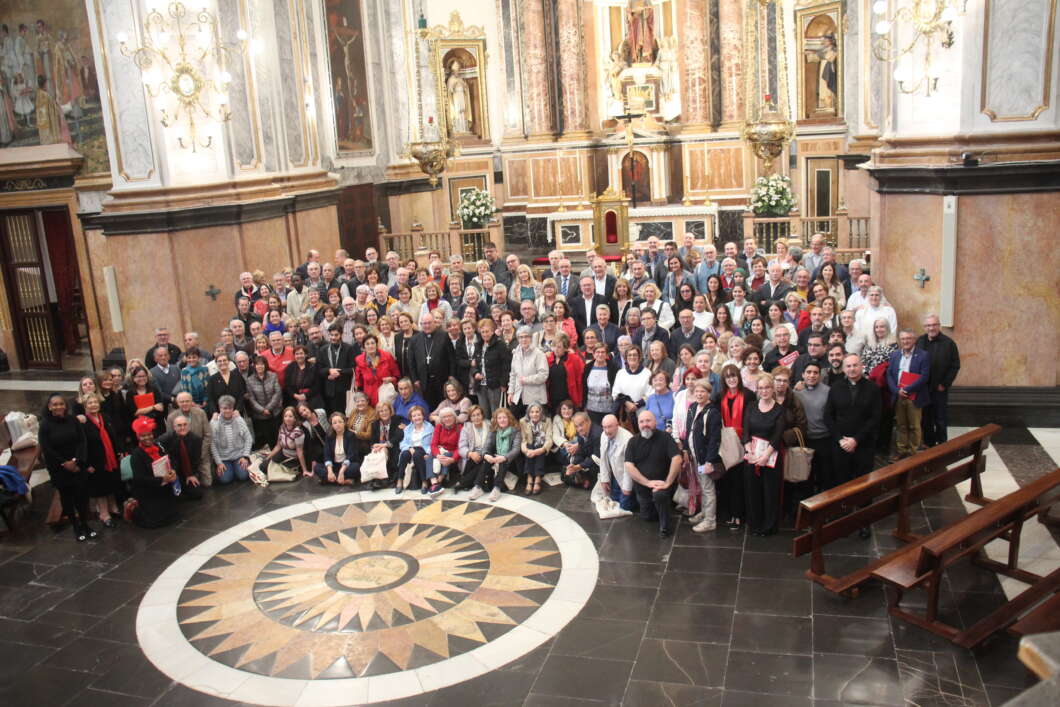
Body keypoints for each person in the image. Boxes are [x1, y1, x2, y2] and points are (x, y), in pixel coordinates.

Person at [825, 355, 882, 536]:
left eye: (855, 365)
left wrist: (856, 440)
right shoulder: (836, 387)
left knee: (863, 483)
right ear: (844, 369)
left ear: (862, 366)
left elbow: (875, 418)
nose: (852, 369)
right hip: (840, 444)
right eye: (848, 366)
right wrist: (840, 439)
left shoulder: (873, 388)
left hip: (863, 444)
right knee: (841, 480)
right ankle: (843, 518)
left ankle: (863, 521)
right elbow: (828, 416)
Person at [40, 394, 95, 540]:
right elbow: (47, 449)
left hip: (77, 465)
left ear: (65, 405)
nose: (58, 407)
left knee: (82, 497)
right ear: (49, 407)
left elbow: (82, 441)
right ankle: (76, 526)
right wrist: (65, 463)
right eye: (55, 404)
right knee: (67, 498)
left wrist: (76, 460)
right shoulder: (45, 425)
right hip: (59, 469)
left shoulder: (72, 420)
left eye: (61, 404)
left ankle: (85, 524)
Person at [624, 409, 683, 536]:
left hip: (662, 486)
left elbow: (677, 459)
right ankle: (661, 508)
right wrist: (647, 482)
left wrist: (667, 482)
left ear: (655, 422)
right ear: (638, 424)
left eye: (648, 421)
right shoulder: (633, 441)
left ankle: (665, 526)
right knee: (648, 517)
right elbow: (629, 466)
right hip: (643, 487)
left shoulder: (665, 438)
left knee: (659, 496)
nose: (645, 424)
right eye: (641, 422)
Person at [740, 372, 786, 536]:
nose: (764, 391)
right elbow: (746, 431)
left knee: (770, 492)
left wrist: (765, 456)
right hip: (752, 455)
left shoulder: (779, 410)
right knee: (752, 491)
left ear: (772, 389)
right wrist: (749, 451)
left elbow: (777, 436)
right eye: (760, 388)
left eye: (767, 387)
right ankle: (755, 525)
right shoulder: (751, 406)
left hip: (770, 456)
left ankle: (768, 526)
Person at [125, 416, 180, 529]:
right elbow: (139, 479)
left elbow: (172, 460)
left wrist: (173, 470)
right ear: (138, 437)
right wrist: (162, 479)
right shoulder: (136, 455)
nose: (147, 438)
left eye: (149, 434)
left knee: (173, 516)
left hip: (163, 486)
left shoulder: (159, 446)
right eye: (143, 436)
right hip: (148, 490)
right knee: (153, 523)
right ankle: (132, 508)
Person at [917, 313, 960, 447]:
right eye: (928, 325)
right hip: (923, 388)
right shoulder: (919, 341)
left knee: (940, 419)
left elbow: (955, 365)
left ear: (939, 326)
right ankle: (929, 444)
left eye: (934, 325)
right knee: (926, 418)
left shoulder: (949, 343)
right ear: (924, 327)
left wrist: (945, 384)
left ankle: (942, 445)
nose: (931, 328)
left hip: (939, 388)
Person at [887, 329, 931, 459]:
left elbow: (924, 377)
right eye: (903, 339)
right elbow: (889, 374)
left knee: (914, 426)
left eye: (908, 338)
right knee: (901, 425)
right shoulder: (895, 355)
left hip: (914, 396)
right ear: (900, 340)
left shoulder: (923, 355)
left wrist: (907, 389)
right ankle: (901, 450)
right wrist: (896, 391)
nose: (905, 341)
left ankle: (913, 453)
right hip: (898, 395)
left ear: (914, 340)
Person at [685, 378, 722, 532]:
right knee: (701, 484)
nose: (699, 394)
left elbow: (715, 439)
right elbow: (689, 430)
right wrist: (686, 450)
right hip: (695, 456)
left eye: (703, 391)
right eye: (697, 391)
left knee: (707, 487)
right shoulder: (693, 407)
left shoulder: (713, 412)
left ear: (709, 393)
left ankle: (710, 520)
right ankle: (705, 512)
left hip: (705, 459)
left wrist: (709, 461)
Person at [81, 394, 122, 525]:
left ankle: (113, 507)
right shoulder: (83, 423)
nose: (93, 405)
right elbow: (81, 445)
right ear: (85, 406)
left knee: (111, 483)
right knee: (100, 489)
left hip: (110, 458)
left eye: (95, 402)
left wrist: (118, 452)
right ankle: (104, 514)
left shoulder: (105, 417)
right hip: (95, 461)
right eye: (90, 403)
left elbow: (113, 436)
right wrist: (87, 464)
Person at [795, 362, 832, 494]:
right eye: (808, 372)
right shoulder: (796, 392)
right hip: (805, 440)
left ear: (820, 375)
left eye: (815, 373)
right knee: (807, 476)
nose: (812, 375)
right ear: (803, 375)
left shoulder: (828, 391)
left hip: (824, 439)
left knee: (825, 474)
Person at [157, 413, 205, 502]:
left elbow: (196, 460)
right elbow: (158, 448)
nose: (182, 427)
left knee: (197, 493)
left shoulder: (196, 440)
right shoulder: (165, 439)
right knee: (174, 497)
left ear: (188, 426)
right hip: (172, 472)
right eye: (179, 425)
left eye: (185, 424)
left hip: (187, 473)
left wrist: (192, 474)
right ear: (174, 427)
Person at [167, 392, 213, 486]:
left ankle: (198, 473)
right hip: (183, 456)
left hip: (201, 453)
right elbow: (170, 439)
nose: (185, 404)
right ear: (177, 403)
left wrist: (201, 453)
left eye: (187, 401)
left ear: (192, 401)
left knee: (207, 483)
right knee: (188, 485)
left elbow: (208, 435)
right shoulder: (171, 417)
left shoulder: (201, 413)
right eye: (182, 402)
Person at [411, 313, 454, 409]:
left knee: (444, 404)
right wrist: (415, 379)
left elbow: (451, 357)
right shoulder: (415, 339)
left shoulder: (444, 336)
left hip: (442, 378)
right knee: (428, 406)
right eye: (424, 323)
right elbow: (411, 362)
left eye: (429, 323)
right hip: (424, 380)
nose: (427, 326)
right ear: (421, 324)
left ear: (434, 322)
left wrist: (451, 375)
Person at [479, 408, 521, 501]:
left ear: (509, 418)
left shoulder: (515, 430)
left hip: (511, 461)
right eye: (499, 418)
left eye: (504, 417)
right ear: (496, 420)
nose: (502, 420)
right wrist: (485, 455)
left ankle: (497, 489)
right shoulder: (493, 430)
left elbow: (516, 449)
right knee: (488, 456)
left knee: (502, 461)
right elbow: (486, 445)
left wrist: (504, 457)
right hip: (496, 458)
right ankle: (478, 486)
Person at [210, 395, 254, 484]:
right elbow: (212, 444)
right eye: (224, 408)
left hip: (239, 456)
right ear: (220, 408)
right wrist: (218, 463)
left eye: (230, 408)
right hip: (223, 458)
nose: (227, 411)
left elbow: (248, 439)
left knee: (243, 476)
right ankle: (230, 470)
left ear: (233, 408)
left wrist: (245, 456)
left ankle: (236, 469)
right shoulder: (214, 422)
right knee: (225, 480)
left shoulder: (239, 419)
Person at [508, 326, 548, 419]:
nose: (523, 339)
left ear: (531, 338)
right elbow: (513, 374)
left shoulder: (539, 354)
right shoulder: (516, 354)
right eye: (521, 337)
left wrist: (525, 380)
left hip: (534, 397)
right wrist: (510, 392)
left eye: (526, 336)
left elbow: (543, 375)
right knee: (514, 421)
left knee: (532, 424)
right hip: (518, 396)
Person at [598, 413, 636, 512]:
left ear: (617, 425)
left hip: (628, 475)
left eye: (609, 427)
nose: (607, 431)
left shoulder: (628, 439)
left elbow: (629, 467)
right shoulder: (603, 435)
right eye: (604, 427)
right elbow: (603, 459)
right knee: (614, 502)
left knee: (625, 507)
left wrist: (627, 488)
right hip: (615, 474)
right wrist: (604, 479)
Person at [318, 325, 356, 416]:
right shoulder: (323, 350)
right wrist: (329, 371)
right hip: (328, 390)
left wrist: (339, 373)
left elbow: (353, 369)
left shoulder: (349, 348)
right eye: (331, 335)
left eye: (336, 335)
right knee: (331, 416)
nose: (333, 337)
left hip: (344, 389)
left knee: (344, 415)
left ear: (341, 335)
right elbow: (319, 369)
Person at [246, 355, 282, 448]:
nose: (260, 366)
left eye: (262, 364)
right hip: (260, 415)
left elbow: (277, 393)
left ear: (265, 365)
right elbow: (251, 399)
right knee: (267, 438)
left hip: (275, 412)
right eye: (257, 364)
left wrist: (268, 408)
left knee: (278, 436)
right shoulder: (249, 380)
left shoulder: (273, 376)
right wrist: (262, 410)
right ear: (254, 366)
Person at [397, 405, 434, 494]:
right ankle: (400, 480)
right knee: (404, 454)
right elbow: (402, 443)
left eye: (419, 415)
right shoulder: (408, 429)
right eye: (414, 416)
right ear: (411, 418)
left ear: (423, 416)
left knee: (417, 454)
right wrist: (409, 448)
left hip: (423, 449)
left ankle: (424, 482)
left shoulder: (430, 428)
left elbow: (433, 443)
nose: (417, 418)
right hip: (411, 448)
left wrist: (428, 453)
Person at [457, 405, 492, 496]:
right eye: (473, 415)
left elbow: (492, 444)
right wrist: (470, 454)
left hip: (487, 454)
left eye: (478, 415)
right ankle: (472, 483)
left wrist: (483, 454)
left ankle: (465, 483)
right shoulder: (466, 428)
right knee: (474, 461)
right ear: (470, 418)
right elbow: (461, 447)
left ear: (482, 415)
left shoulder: (490, 425)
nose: (476, 418)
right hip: (473, 457)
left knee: (484, 461)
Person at [316, 411, 358, 485]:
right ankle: (343, 481)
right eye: (334, 423)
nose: (337, 425)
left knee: (356, 467)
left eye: (340, 422)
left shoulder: (351, 435)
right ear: (332, 425)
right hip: (334, 465)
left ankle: (328, 480)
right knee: (317, 467)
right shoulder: (329, 436)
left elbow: (351, 455)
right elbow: (327, 454)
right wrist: (330, 471)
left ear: (344, 423)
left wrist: (341, 471)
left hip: (346, 466)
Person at [583, 343, 620, 425]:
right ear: (593, 354)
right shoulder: (587, 367)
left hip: (609, 410)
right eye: (598, 352)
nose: (600, 354)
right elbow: (584, 388)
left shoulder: (613, 368)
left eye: (603, 352)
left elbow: (617, 388)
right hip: (591, 410)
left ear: (606, 354)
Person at [546, 333, 584, 411]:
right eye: (554, 346)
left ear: (566, 348)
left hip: (568, 398)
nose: (556, 349)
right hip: (552, 398)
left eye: (559, 347)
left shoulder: (574, 359)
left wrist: (580, 400)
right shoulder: (548, 358)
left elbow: (580, 380)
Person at [519, 403, 552, 495]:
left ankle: (537, 478)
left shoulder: (547, 421)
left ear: (541, 412)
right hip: (529, 448)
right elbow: (523, 440)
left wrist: (541, 450)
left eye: (537, 411)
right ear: (528, 413)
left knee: (539, 446)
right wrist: (526, 450)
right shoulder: (523, 421)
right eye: (532, 412)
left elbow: (549, 438)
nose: (534, 414)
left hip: (542, 447)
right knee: (530, 446)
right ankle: (530, 477)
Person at [370, 401, 403, 490]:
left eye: (386, 410)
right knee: (377, 452)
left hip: (394, 446)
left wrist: (384, 445)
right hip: (381, 448)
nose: (384, 413)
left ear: (390, 411)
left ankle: (392, 479)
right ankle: (378, 479)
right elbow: (372, 441)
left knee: (389, 451)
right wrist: (374, 446)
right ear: (378, 413)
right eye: (381, 411)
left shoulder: (397, 420)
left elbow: (399, 436)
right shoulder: (375, 424)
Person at [206, 352, 247, 418]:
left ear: (229, 362)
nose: (222, 362)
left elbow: (242, 395)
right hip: (220, 415)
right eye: (219, 361)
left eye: (224, 360)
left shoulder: (237, 376)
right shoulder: (212, 379)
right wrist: (214, 412)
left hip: (236, 414)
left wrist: (237, 409)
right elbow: (210, 398)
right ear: (216, 363)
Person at [126, 365, 166, 431]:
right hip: (140, 425)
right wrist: (153, 407)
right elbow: (135, 412)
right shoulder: (130, 393)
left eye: (144, 376)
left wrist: (142, 410)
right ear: (133, 378)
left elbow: (160, 408)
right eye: (139, 376)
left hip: (156, 423)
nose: (142, 378)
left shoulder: (154, 389)